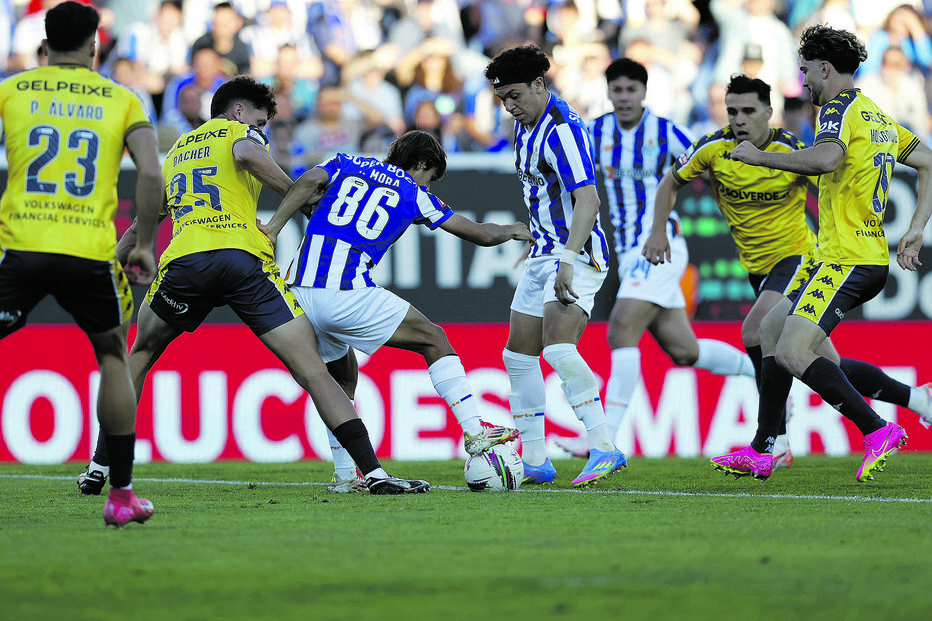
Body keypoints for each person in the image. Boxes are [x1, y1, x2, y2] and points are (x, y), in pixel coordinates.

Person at [78, 75, 430, 496]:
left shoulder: (176, 156)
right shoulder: (241, 133)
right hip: (243, 260)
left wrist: (106, 271)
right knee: (315, 371)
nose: (262, 131)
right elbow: (246, 152)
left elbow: (140, 227)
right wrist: (297, 194)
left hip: (185, 263)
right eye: (260, 121)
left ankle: (100, 464)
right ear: (239, 111)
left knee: (140, 354)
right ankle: (372, 474)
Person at [643, 73, 932, 470]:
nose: (739, 119)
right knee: (823, 362)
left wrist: (849, 232)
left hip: (801, 258)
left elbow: (827, 179)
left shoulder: (796, 147)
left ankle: (774, 440)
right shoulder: (713, 148)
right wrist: (658, 229)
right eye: (732, 112)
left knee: (760, 333)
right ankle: (916, 399)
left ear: (768, 112)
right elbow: (670, 182)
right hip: (759, 267)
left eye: (748, 111)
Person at [260, 130, 533, 492]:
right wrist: (513, 229)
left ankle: (345, 476)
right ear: (420, 164)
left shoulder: (346, 162)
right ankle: (473, 430)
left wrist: (275, 227)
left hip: (301, 293)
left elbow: (309, 180)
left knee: (340, 378)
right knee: (434, 339)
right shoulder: (413, 192)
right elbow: (479, 234)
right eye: (431, 178)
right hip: (345, 290)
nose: (430, 188)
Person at [0, 1, 162, 527]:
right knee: (113, 357)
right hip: (90, 252)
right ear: (95, 45)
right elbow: (151, 175)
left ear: (44, 44)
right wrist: (142, 244)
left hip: (20, 246)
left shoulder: (12, 90)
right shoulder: (122, 100)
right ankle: (120, 497)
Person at [556, 58, 756, 460]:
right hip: (627, 254)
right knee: (684, 351)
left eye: (631, 90)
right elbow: (571, 185)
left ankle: (604, 442)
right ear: (608, 93)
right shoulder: (594, 133)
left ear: (644, 92)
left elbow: (709, 167)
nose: (624, 97)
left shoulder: (667, 133)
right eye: (617, 90)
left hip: (660, 246)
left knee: (621, 328)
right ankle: (764, 376)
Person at [484, 44, 627, 487]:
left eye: (515, 95)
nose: (510, 106)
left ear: (540, 84)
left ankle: (604, 447)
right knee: (518, 357)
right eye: (502, 98)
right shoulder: (525, 125)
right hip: (544, 253)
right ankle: (535, 461)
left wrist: (567, 258)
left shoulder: (561, 129)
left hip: (576, 254)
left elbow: (588, 199)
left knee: (559, 349)